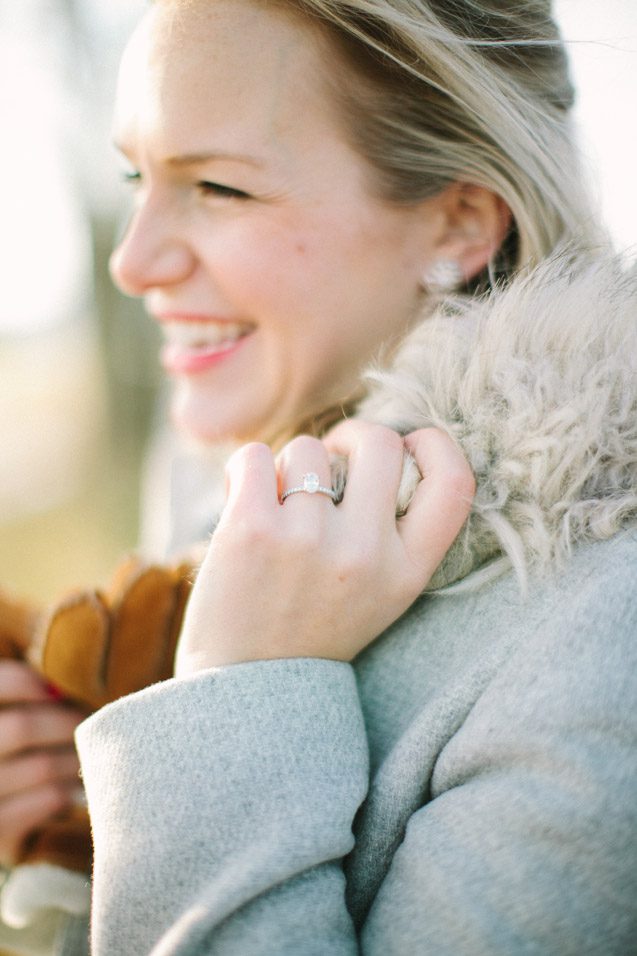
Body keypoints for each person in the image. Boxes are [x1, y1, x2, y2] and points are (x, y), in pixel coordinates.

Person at [5, 0, 637, 953]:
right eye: (138, 177)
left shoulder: (601, 638)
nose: (132, 261)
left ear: (459, 223)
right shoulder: (227, 494)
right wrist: (93, 837)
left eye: (218, 187)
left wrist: (238, 684)